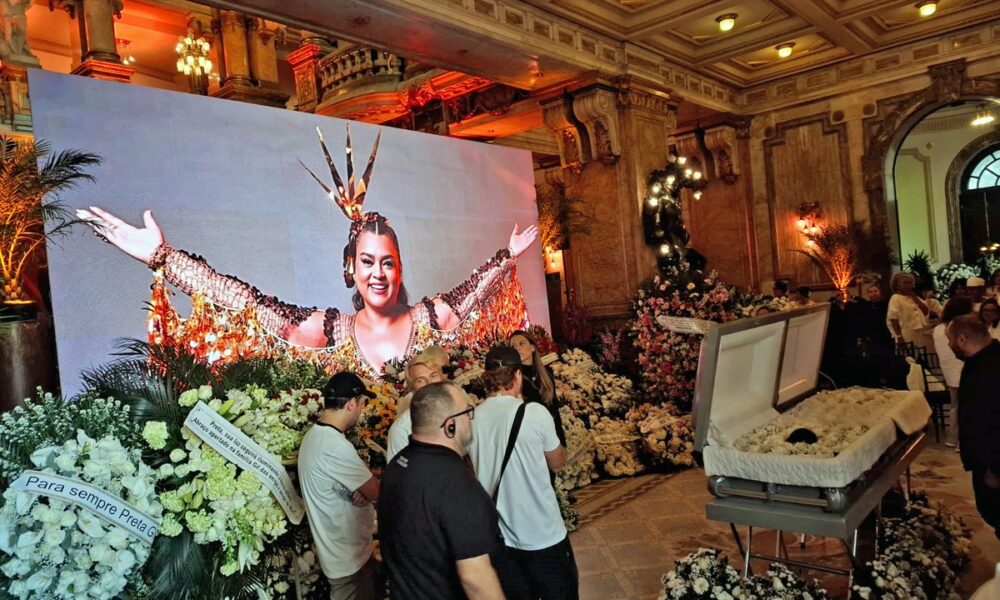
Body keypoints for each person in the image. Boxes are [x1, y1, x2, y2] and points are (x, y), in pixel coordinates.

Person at [76, 127, 538, 379]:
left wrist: (508, 255)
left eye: (388, 262)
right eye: (367, 261)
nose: (378, 273)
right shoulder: (329, 330)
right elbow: (248, 304)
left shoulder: (431, 318)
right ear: (349, 269)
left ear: (400, 269)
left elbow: (475, 291)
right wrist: (164, 257)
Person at [378, 382, 506, 600]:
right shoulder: (457, 485)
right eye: (467, 412)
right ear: (450, 426)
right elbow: (476, 578)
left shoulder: (396, 466)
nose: (471, 420)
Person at [469, 345, 576, 600]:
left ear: (487, 377)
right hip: (543, 533)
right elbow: (557, 462)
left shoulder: (471, 419)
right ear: (517, 376)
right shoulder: (534, 413)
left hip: (501, 537)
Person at [298, 372, 381, 600]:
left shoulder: (315, 436)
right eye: (362, 404)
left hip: (341, 556)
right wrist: (368, 489)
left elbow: (359, 488)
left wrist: (362, 490)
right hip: (348, 563)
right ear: (351, 404)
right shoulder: (333, 446)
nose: (361, 411)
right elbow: (375, 491)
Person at [945, 315, 1000, 540]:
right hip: (983, 459)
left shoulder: (992, 369)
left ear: (962, 339)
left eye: (950, 340)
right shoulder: (981, 359)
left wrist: (996, 469)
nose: (948, 345)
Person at [508, 330, 566, 446]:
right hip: (530, 440)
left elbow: (554, 408)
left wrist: (561, 441)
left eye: (521, 344)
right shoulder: (513, 379)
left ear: (533, 347)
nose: (517, 348)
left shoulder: (546, 373)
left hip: (550, 435)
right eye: (513, 346)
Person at [386, 356, 445, 461]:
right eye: (420, 380)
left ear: (443, 379)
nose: (429, 383)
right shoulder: (402, 430)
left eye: (433, 376)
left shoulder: (459, 410)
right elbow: (399, 475)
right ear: (412, 389)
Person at [932, 297, 973, 448]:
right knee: (967, 406)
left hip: (948, 370)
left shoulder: (938, 328)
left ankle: (952, 438)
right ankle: (963, 442)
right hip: (962, 368)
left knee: (955, 405)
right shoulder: (959, 327)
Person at [886, 272, 933, 348]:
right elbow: (893, 318)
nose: (908, 285)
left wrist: (914, 296)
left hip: (921, 332)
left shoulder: (914, 297)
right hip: (906, 333)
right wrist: (899, 336)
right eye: (905, 283)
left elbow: (926, 311)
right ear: (897, 285)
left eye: (910, 283)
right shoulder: (895, 298)